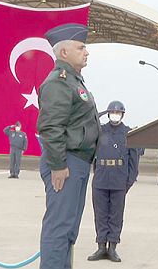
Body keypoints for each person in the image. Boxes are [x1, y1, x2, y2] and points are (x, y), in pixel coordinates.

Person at [37, 23, 100, 269]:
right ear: (64, 52)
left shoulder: (74, 81)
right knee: (59, 229)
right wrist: (58, 165)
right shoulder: (59, 82)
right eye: (81, 47)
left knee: (68, 231)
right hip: (66, 164)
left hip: (79, 163)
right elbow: (51, 127)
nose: (86, 52)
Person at [87, 101, 139, 263]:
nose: (115, 115)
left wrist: (128, 183)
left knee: (116, 216)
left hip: (119, 180)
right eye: (112, 112)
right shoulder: (100, 131)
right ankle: (101, 246)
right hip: (101, 179)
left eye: (118, 112)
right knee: (100, 214)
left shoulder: (128, 133)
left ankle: (113, 247)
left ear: (122, 114)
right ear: (108, 114)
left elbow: (133, 163)